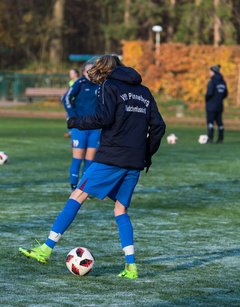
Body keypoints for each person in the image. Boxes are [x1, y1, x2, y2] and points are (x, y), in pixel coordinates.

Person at [19, 54, 166, 279]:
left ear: (105, 70)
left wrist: (76, 121)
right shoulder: (144, 92)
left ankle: (45, 249)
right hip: (134, 161)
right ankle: (131, 267)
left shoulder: (111, 85)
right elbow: (159, 126)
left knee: (77, 195)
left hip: (111, 157)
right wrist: (146, 154)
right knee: (120, 210)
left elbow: (103, 118)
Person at [62, 62, 100, 190]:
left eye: (94, 70)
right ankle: (74, 188)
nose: (92, 72)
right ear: (84, 72)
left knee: (90, 161)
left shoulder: (100, 84)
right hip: (79, 127)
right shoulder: (80, 83)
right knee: (77, 159)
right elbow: (66, 98)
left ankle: (85, 189)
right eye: (89, 70)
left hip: (94, 128)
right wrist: (73, 117)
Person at [205, 64, 228, 144]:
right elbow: (225, 94)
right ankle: (220, 139)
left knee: (210, 122)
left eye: (210, 71)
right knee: (219, 123)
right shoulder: (223, 81)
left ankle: (210, 139)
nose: (209, 73)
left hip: (211, 105)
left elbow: (209, 93)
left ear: (213, 72)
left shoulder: (212, 81)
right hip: (219, 105)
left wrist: (207, 99)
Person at [63, 69, 80, 138]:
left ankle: (74, 131)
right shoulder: (71, 82)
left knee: (74, 116)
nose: (70, 74)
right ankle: (71, 131)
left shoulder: (80, 81)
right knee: (68, 116)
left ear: (76, 74)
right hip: (72, 102)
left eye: (71, 73)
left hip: (77, 102)